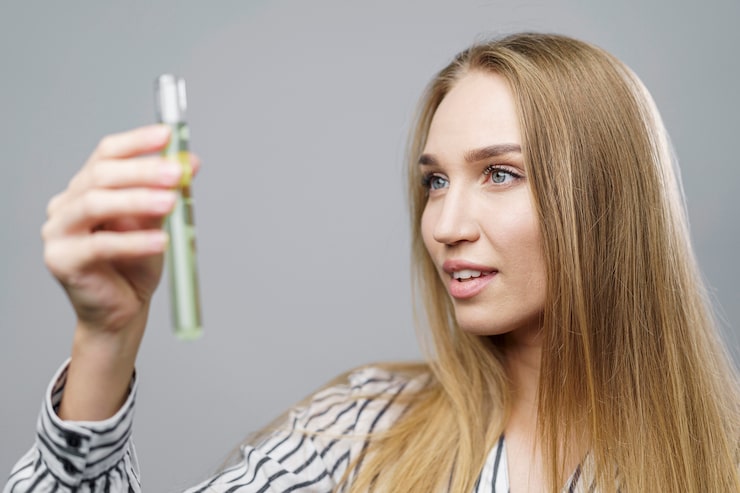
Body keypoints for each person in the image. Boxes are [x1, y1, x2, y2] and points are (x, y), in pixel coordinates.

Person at [5, 32, 740, 493]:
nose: (444, 226)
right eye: (435, 182)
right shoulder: (362, 431)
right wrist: (105, 341)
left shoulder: (719, 463)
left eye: (500, 173)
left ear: (611, 202)